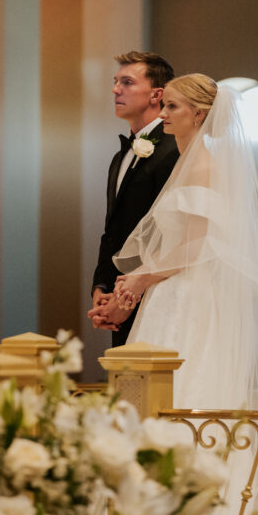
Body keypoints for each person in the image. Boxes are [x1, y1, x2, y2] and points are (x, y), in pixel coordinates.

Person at [113, 74, 258, 515]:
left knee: (190, 394)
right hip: (176, 293)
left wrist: (144, 276)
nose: (165, 114)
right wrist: (140, 280)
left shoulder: (205, 166)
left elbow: (199, 247)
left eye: (172, 106)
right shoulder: (192, 162)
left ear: (198, 113)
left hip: (190, 296)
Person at [88, 51, 179, 346]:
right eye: (116, 82)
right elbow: (113, 229)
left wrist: (127, 299)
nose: (116, 89)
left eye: (127, 82)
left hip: (156, 295)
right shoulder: (120, 157)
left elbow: (170, 234)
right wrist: (101, 287)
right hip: (119, 293)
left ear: (157, 94)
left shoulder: (174, 151)